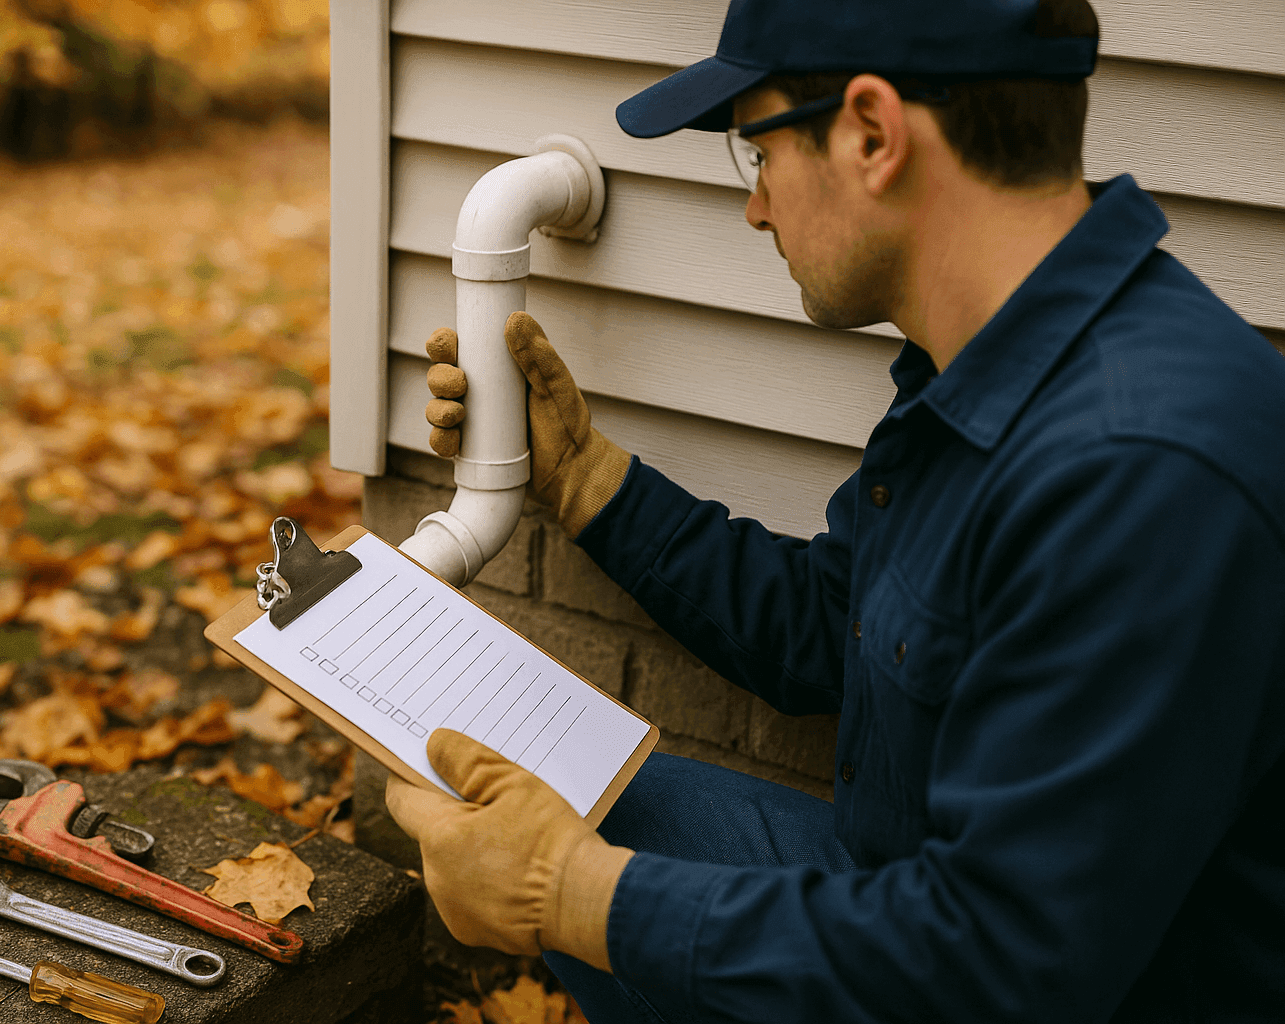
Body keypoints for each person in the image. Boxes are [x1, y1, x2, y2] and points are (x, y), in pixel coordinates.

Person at [385, 1, 1285, 1021]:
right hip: (908, 896)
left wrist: (568, 894)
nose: (756, 209)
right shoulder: (990, 364)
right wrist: (585, 479)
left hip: (1011, 980)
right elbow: (833, 624)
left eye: (757, 151)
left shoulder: (1143, 470)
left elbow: (1005, 965)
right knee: (564, 794)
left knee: (585, 867)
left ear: (871, 133)